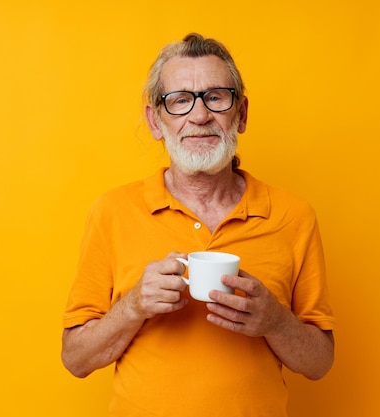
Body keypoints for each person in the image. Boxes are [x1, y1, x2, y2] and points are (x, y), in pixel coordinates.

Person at [62, 33, 335, 417]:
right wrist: (135, 305)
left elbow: (320, 363)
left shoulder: (294, 216)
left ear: (240, 114)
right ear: (155, 122)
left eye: (216, 97)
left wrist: (274, 320)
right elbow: (75, 360)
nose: (200, 115)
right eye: (179, 101)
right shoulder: (112, 211)